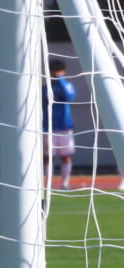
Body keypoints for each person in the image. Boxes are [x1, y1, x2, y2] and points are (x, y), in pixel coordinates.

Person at [44, 59, 77, 190]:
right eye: (54, 71)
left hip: (65, 127)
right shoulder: (45, 88)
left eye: (59, 71)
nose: (56, 73)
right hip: (48, 127)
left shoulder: (68, 86)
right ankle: (49, 183)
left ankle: (65, 183)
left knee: (66, 156)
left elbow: (69, 96)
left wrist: (60, 79)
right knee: (48, 156)